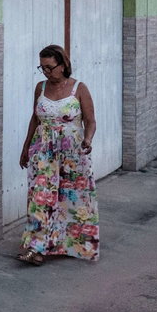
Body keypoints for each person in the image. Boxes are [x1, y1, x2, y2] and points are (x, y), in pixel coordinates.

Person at [16, 44, 99, 265]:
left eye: (50, 67)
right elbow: (35, 118)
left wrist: (88, 139)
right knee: (40, 197)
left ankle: (66, 244)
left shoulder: (79, 88)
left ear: (63, 65)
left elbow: (90, 121)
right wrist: (26, 148)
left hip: (73, 151)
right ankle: (36, 248)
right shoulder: (40, 88)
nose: (46, 72)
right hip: (43, 150)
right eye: (42, 67)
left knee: (70, 197)